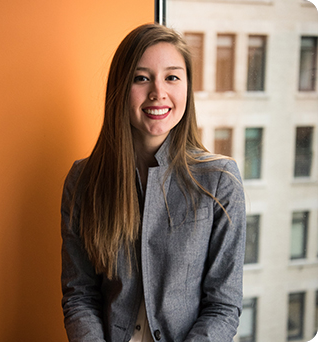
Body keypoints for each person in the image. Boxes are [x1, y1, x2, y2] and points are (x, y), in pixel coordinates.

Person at [61, 23, 246, 342]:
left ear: (187, 87)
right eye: (141, 78)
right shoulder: (83, 180)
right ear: (121, 87)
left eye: (172, 77)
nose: (158, 92)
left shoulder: (220, 180)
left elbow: (223, 307)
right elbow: (80, 296)